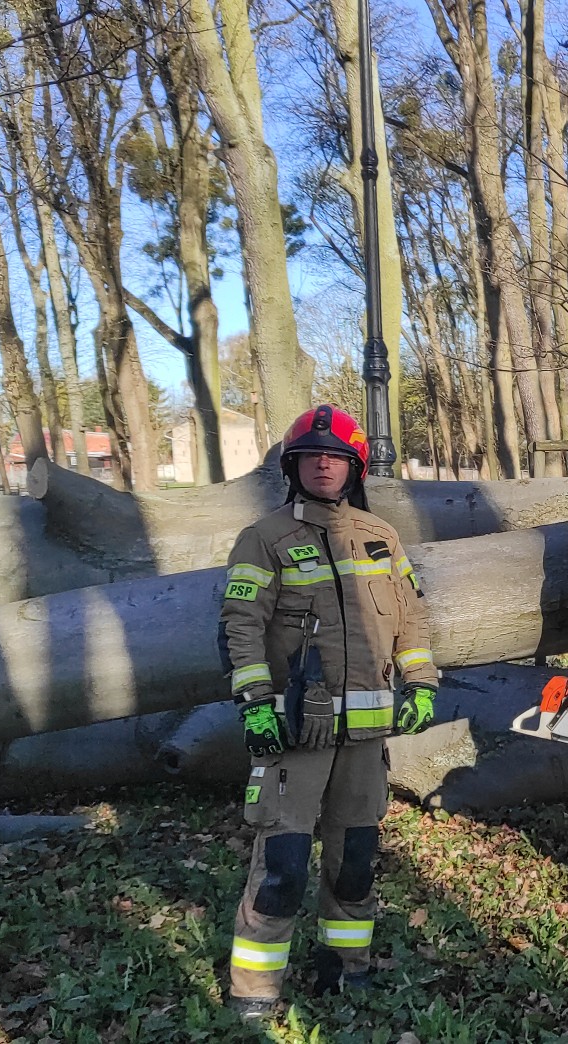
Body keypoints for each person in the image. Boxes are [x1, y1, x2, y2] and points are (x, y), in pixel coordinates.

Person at [218, 404, 440, 1018]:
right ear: (293, 467)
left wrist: (420, 678)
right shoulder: (263, 539)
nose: (324, 465)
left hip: (366, 733)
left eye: (336, 457)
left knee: (357, 859)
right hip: (295, 729)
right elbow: (240, 624)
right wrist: (255, 703)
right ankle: (255, 991)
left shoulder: (381, 535)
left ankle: (347, 967)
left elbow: (411, 616)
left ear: (354, 467)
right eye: (313, 457)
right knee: (283, 864)